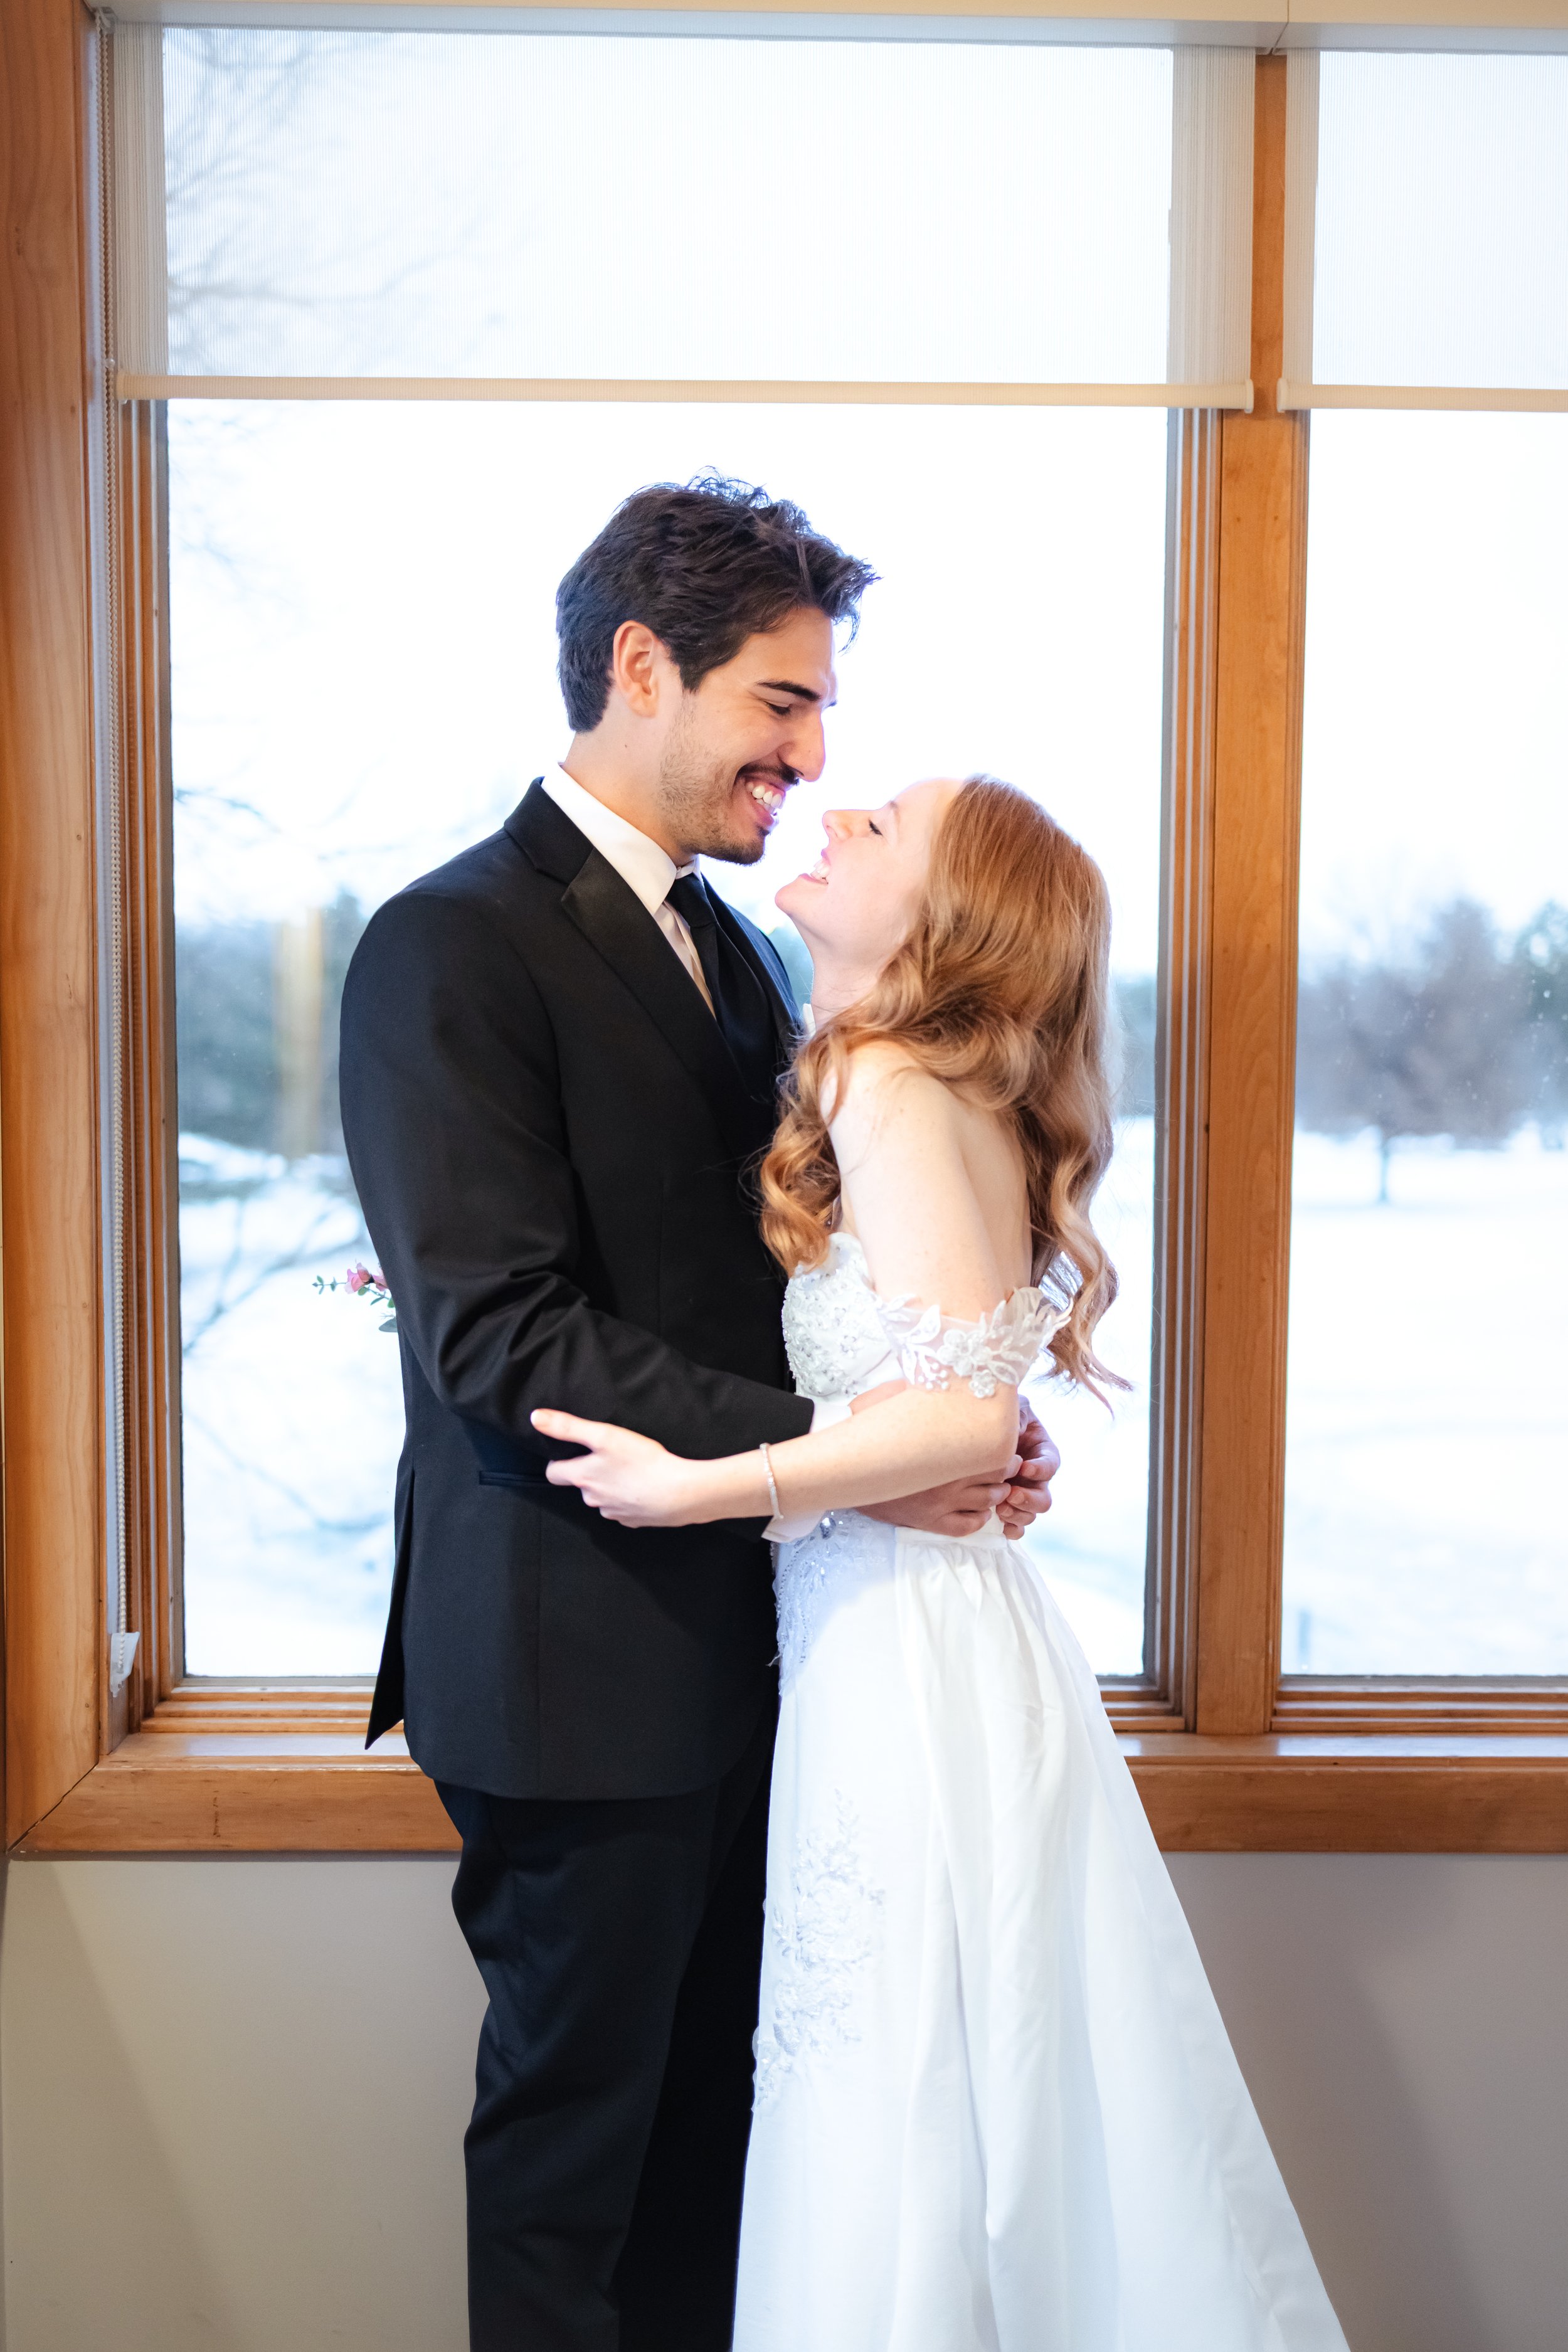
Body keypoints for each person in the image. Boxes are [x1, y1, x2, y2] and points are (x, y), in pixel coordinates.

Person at [337, 478, 1058, 2352]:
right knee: (582, 2170)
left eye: (820, 711)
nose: (811, 755)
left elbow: (778, 1277)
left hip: (767, 1654)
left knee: (719, 2171)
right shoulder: (452, 943)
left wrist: (932, 1421)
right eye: (780, 700)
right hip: (576, 1667)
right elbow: (498, 1327)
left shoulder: (738, 951)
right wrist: (862, 1470)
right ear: (640, 668)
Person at [536, 775, 1353, 2351]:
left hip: (904, 1655)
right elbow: (949, 1401)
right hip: (923, 1635)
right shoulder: (921, 1082)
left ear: (944, 917)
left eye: (882, 827)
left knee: (898, 2076)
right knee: (951, 2071)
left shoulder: (884, 1076)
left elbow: (965, 1412)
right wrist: (912, 1450)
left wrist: (703, 1481)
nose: (831, 813)